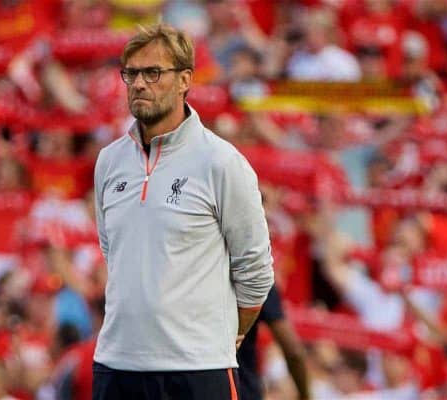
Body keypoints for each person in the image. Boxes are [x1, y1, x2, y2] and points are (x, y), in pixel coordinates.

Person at [92, 24, 274, 400]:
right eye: (131, 73)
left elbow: (256, 272)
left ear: (184, 80)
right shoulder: (108, 162)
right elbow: (114, 252)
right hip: (116, 365)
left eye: (153, 72)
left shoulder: (222, 162)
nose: (139, 83)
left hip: (198, 370)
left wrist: (220, 337)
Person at [237, 285, 311, 400]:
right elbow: (293, 351)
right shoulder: (254, 275)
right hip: (243, 388)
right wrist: (305, 395)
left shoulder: (205, 278)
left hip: (204, 380)